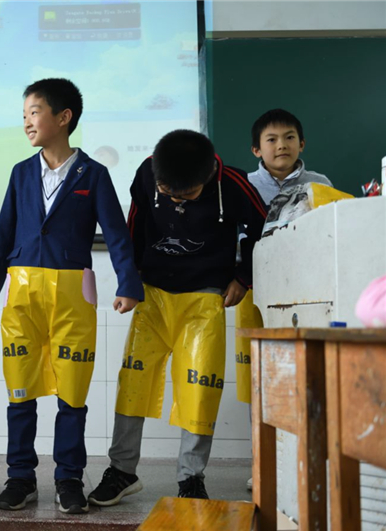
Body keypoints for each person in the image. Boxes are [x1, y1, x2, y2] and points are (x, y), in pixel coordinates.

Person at [0, 78, 143, 514]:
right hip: (22, 297)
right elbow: (3, 233)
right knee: (21, 392)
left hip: (73, 297)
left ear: (63, 117)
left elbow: (117, 234)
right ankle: (20, 478)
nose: (27, 121)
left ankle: (69, 477)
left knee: (72, 394)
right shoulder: (20, 172)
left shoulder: (94, 174)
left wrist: (129, 283)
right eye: (24, 115)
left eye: (34, 112)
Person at [88, 130, 267, 504]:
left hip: (204, 297)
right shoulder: (147, 173)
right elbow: (132, 226)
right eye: (166, 192)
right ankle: (122, 471)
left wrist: (242, 278)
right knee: (133, 383)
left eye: (183, 195)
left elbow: (262, 230)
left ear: (206, 177)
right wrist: (130, 280)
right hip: (153, 292)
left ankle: (191, 477)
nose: (173, 199)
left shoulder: (233, 184)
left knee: (200, 387)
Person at [236, 108, 333, 489]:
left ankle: (300, 459)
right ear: (257, 149)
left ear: (302, 143)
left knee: (303, 377)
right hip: (255, 294)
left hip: (306, 294)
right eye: (272, 140)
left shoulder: (319, 183)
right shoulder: (242, 186)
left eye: (289, 137)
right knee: (258, 380)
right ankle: (262, 462)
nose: (282, 145)